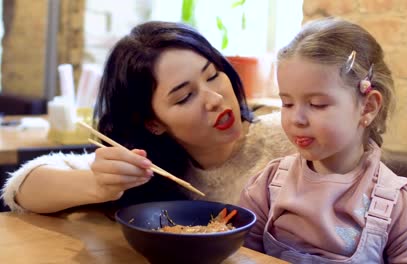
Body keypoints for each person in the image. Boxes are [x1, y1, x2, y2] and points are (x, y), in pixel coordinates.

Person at [1, 21, 294, 214]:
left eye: (213, 75)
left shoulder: (288, 137)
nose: (215, 99)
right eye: (184, 97)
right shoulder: (150, 166)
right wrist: (98, 186)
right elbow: (21, 189)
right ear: (153, 123)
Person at [239, 18, 407, 263]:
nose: (296, 119)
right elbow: (241, 255)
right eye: (287, 103)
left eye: (317, 104)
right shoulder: (267, 186)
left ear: (368, 107)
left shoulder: (396, 205)